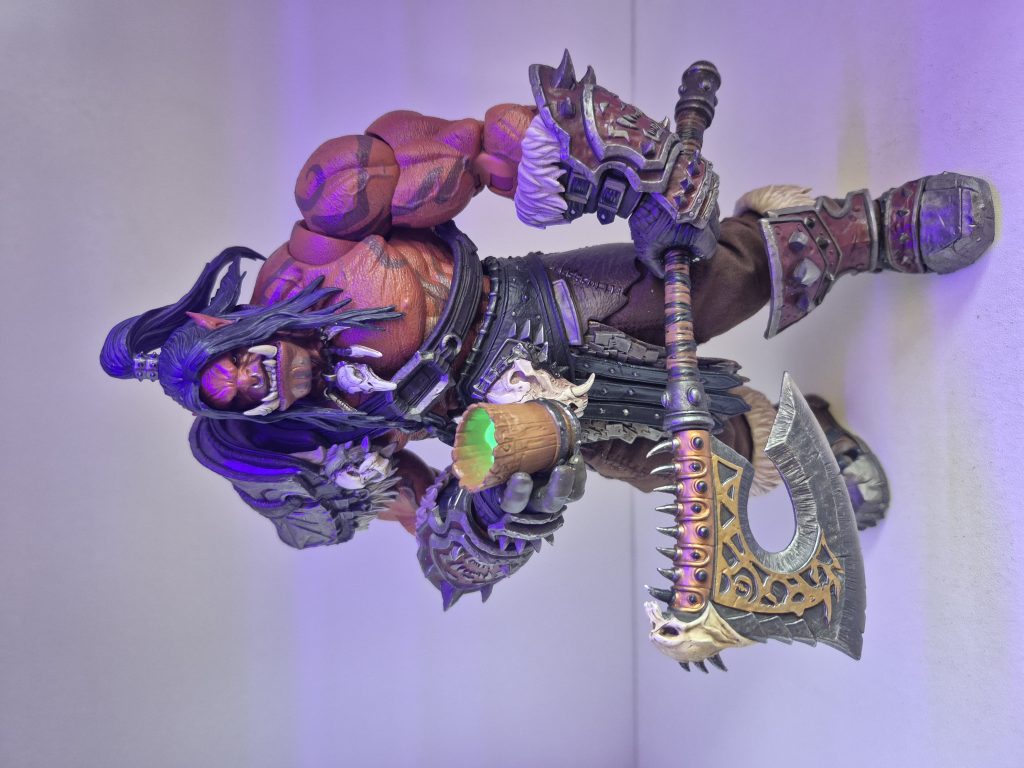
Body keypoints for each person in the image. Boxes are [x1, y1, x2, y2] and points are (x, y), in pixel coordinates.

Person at [101, 53, 994, 610]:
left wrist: (634, 177)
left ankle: (875, 228)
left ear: (229, 326)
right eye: (239, 400)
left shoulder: (328, 231)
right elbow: (426, 528)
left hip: (547, 302)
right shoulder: (304, 439)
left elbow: (490, 147)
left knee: (725, 275)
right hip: (524, 416)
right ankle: (805, 442)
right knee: (697, 457)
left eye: (235, 366)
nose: (254, 384)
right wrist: (490, 523)